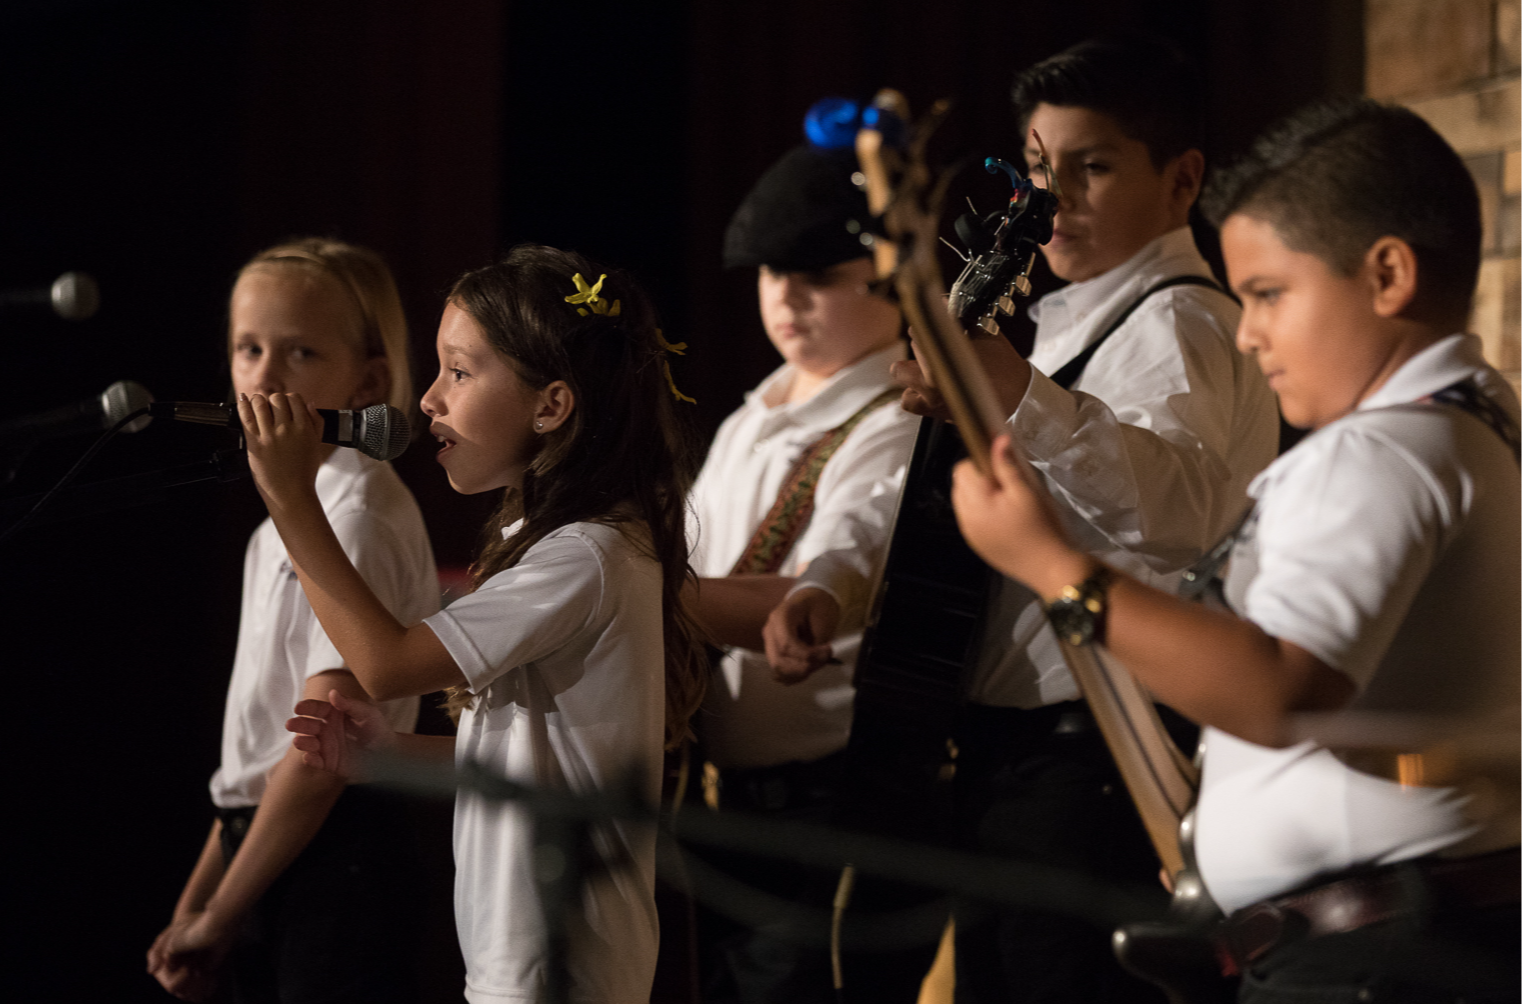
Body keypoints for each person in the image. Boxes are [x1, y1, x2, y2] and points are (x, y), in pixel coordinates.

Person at [952, 96, 1521, 1004]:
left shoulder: (1376, 452)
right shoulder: (1479, 417)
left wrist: (1050, 565)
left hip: (1369, 959)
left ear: (1387, 275)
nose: (1248, 333)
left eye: (1267, 295)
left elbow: (1278, 691)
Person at [766, 37, 1281, 1003]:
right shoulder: (1055, 319)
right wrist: (824, 578)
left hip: (1094, 753)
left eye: (1091, 168)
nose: (1054, 201)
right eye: (1038, 170)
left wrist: (1014, 391)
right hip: (1012, 757)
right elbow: (927, 484)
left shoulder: (1181, 321)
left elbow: (1179, 513)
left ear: (1181, 180)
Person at [256, 245, 707, 1004]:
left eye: (458, 372)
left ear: (551, 405)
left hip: (560, 965)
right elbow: (533, 761)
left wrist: (289, 497)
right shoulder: (553, 538)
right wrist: (391, 753)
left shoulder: (586, 553)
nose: (428, 399)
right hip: (521, 959)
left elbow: (389, 664)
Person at [147, 238, 439, 1003]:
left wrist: (219, 915)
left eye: (300, 353)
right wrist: (195, 910)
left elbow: (318, 749)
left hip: (336, 858)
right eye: (248, 350)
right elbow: (250, 771)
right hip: (265, 847)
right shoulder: (275, 525)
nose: (263, 378)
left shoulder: (357, 515)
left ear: (368, 380)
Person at [683, 136, 922, 1003]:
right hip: (725, 798)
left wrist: (635, 597)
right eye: (769, 275)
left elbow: (845, 556)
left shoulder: (897, 414)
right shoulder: (754, 412)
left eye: (817, 276)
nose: (785, 298)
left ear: (890, 279)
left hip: (832, 804)